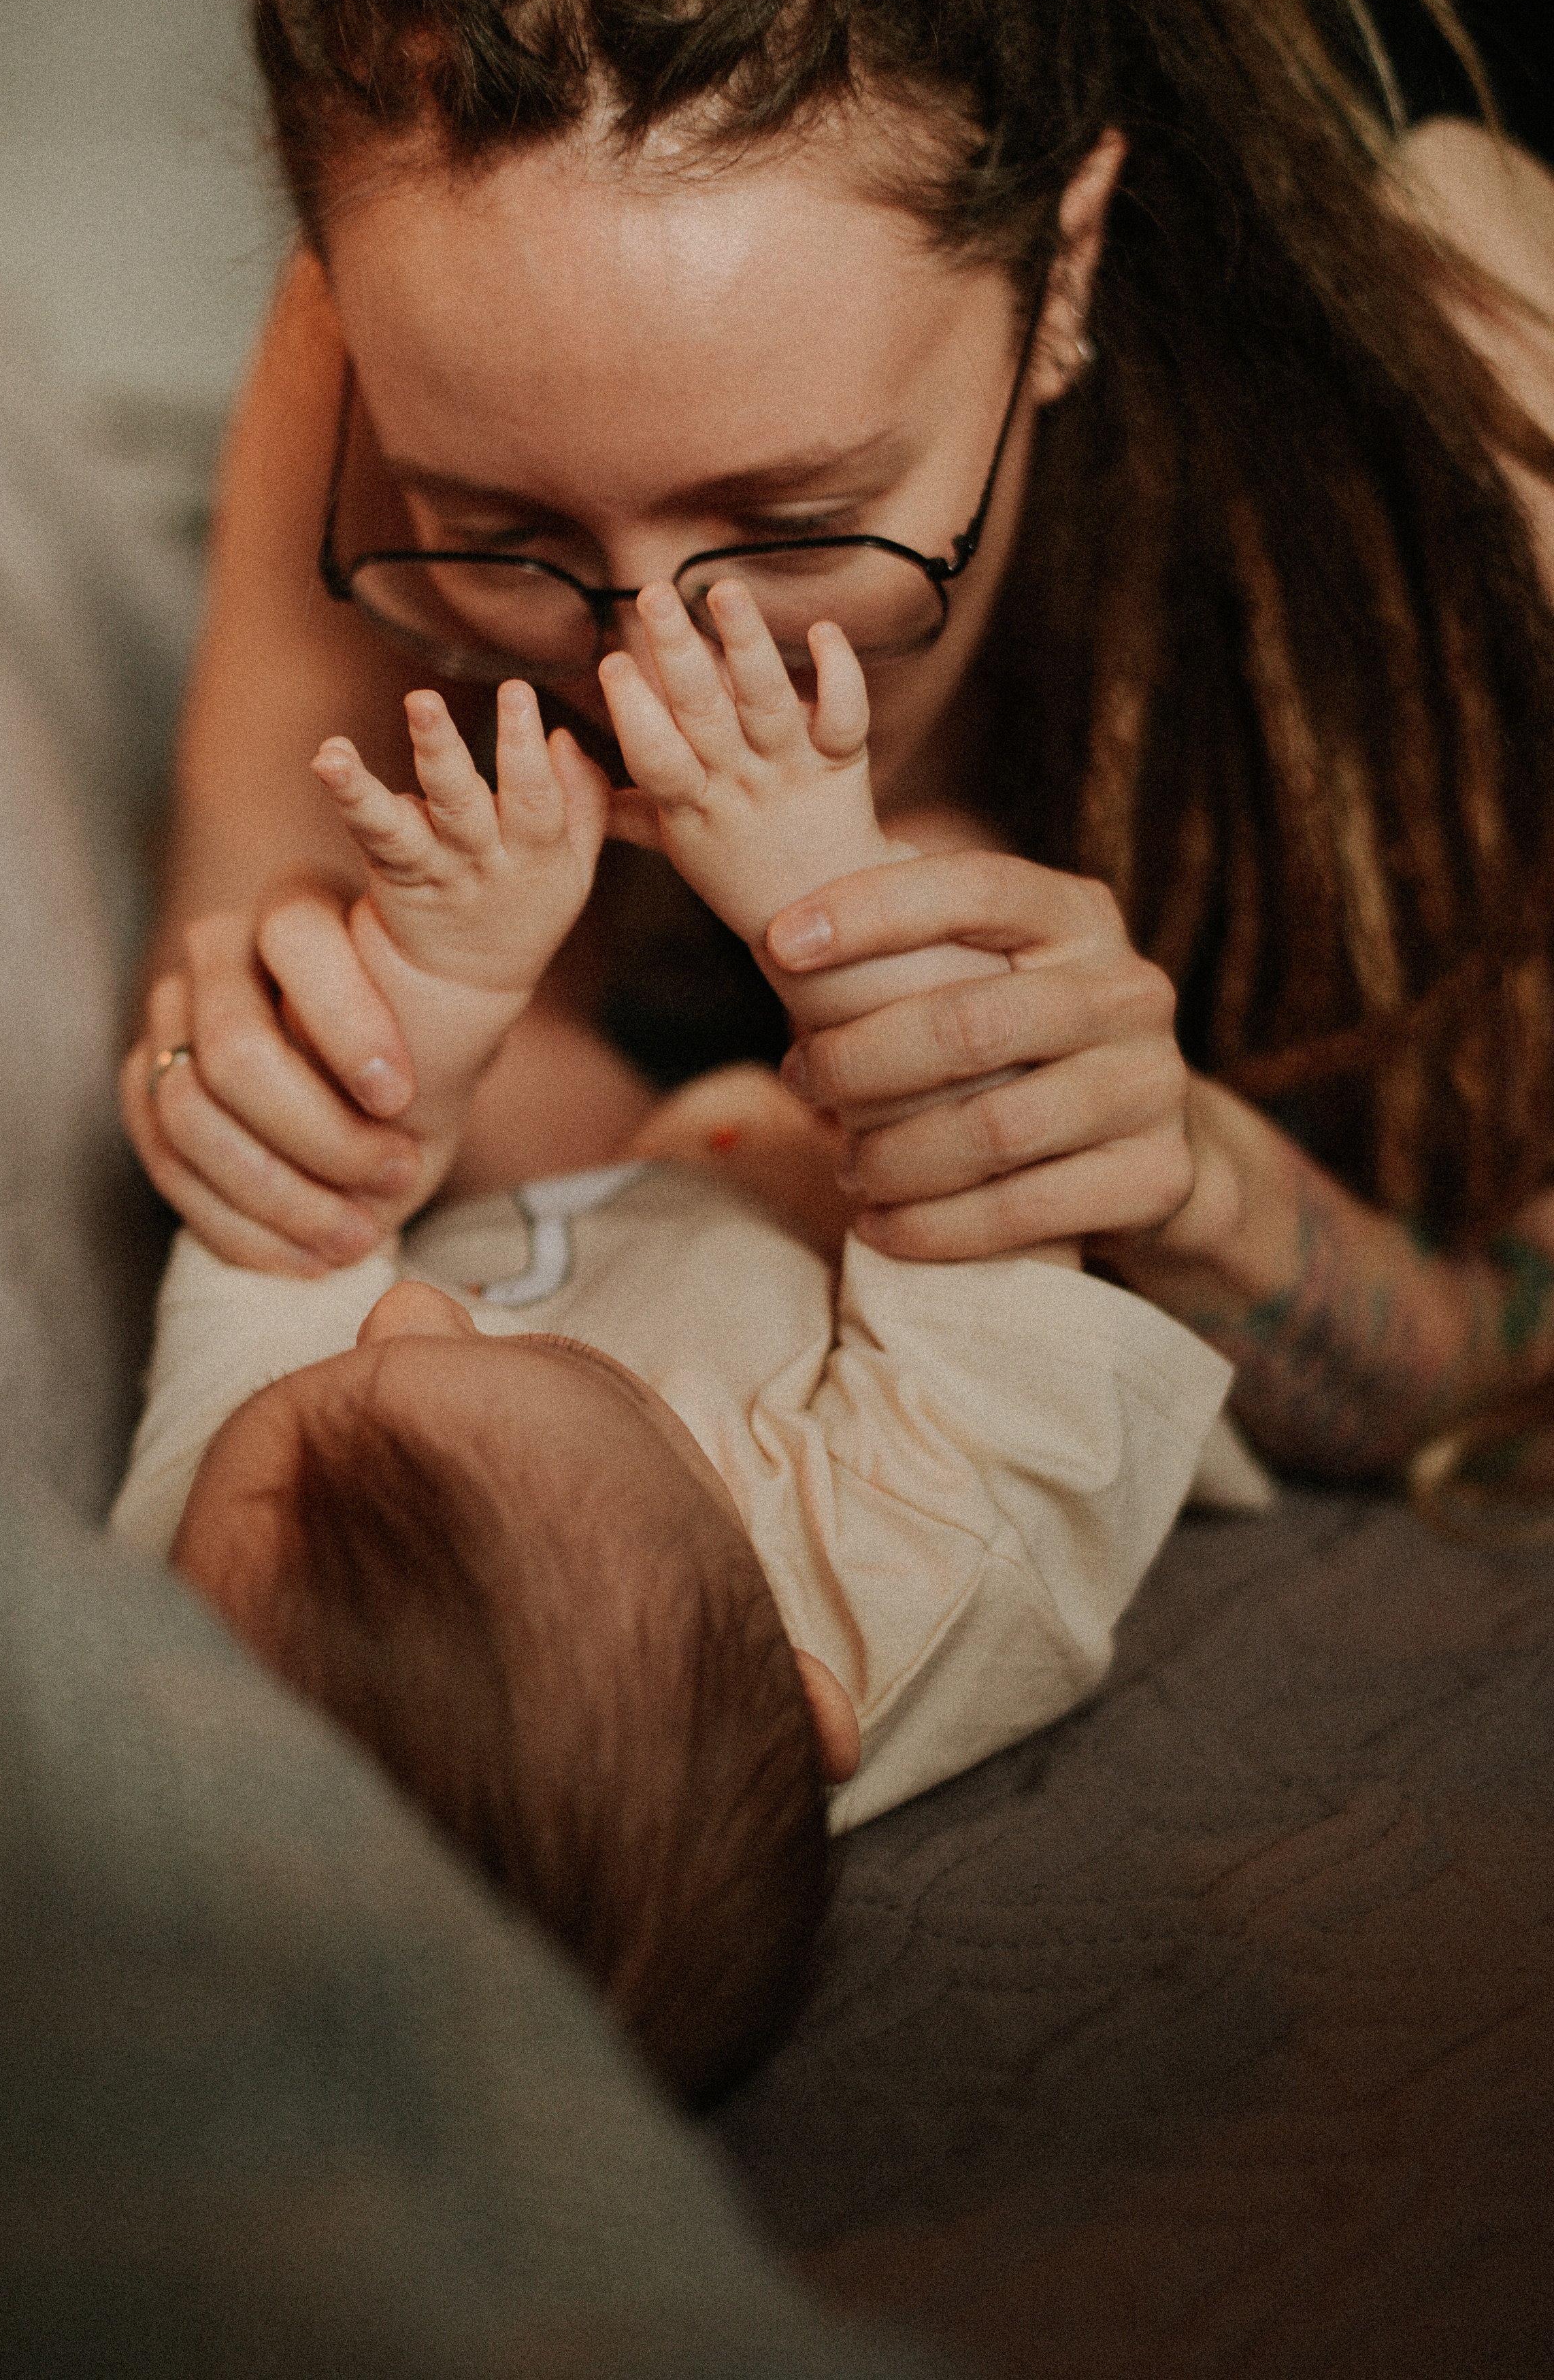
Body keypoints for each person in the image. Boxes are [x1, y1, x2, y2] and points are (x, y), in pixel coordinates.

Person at [120, 0, 1554, 1489]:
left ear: (1066, 274)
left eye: (798, 525)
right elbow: (251, 975)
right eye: (504, 534)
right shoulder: (378, 359)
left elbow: (1511, 1347)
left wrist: (1194, 1188)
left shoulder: (1459, 376)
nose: (651, 686)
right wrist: (310, 1094)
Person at [116, 603, 1234, 2090]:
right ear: (812, 1691)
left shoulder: (207, 1566)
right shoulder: (919, 1573)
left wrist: (443, 985)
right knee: (970, 872)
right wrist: (812, 891)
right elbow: (979, 1186)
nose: (400, 1309)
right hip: (849, 1171)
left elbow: (301, 1236)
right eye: (566, 1380)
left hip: (578, 1157)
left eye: (333, 1376)